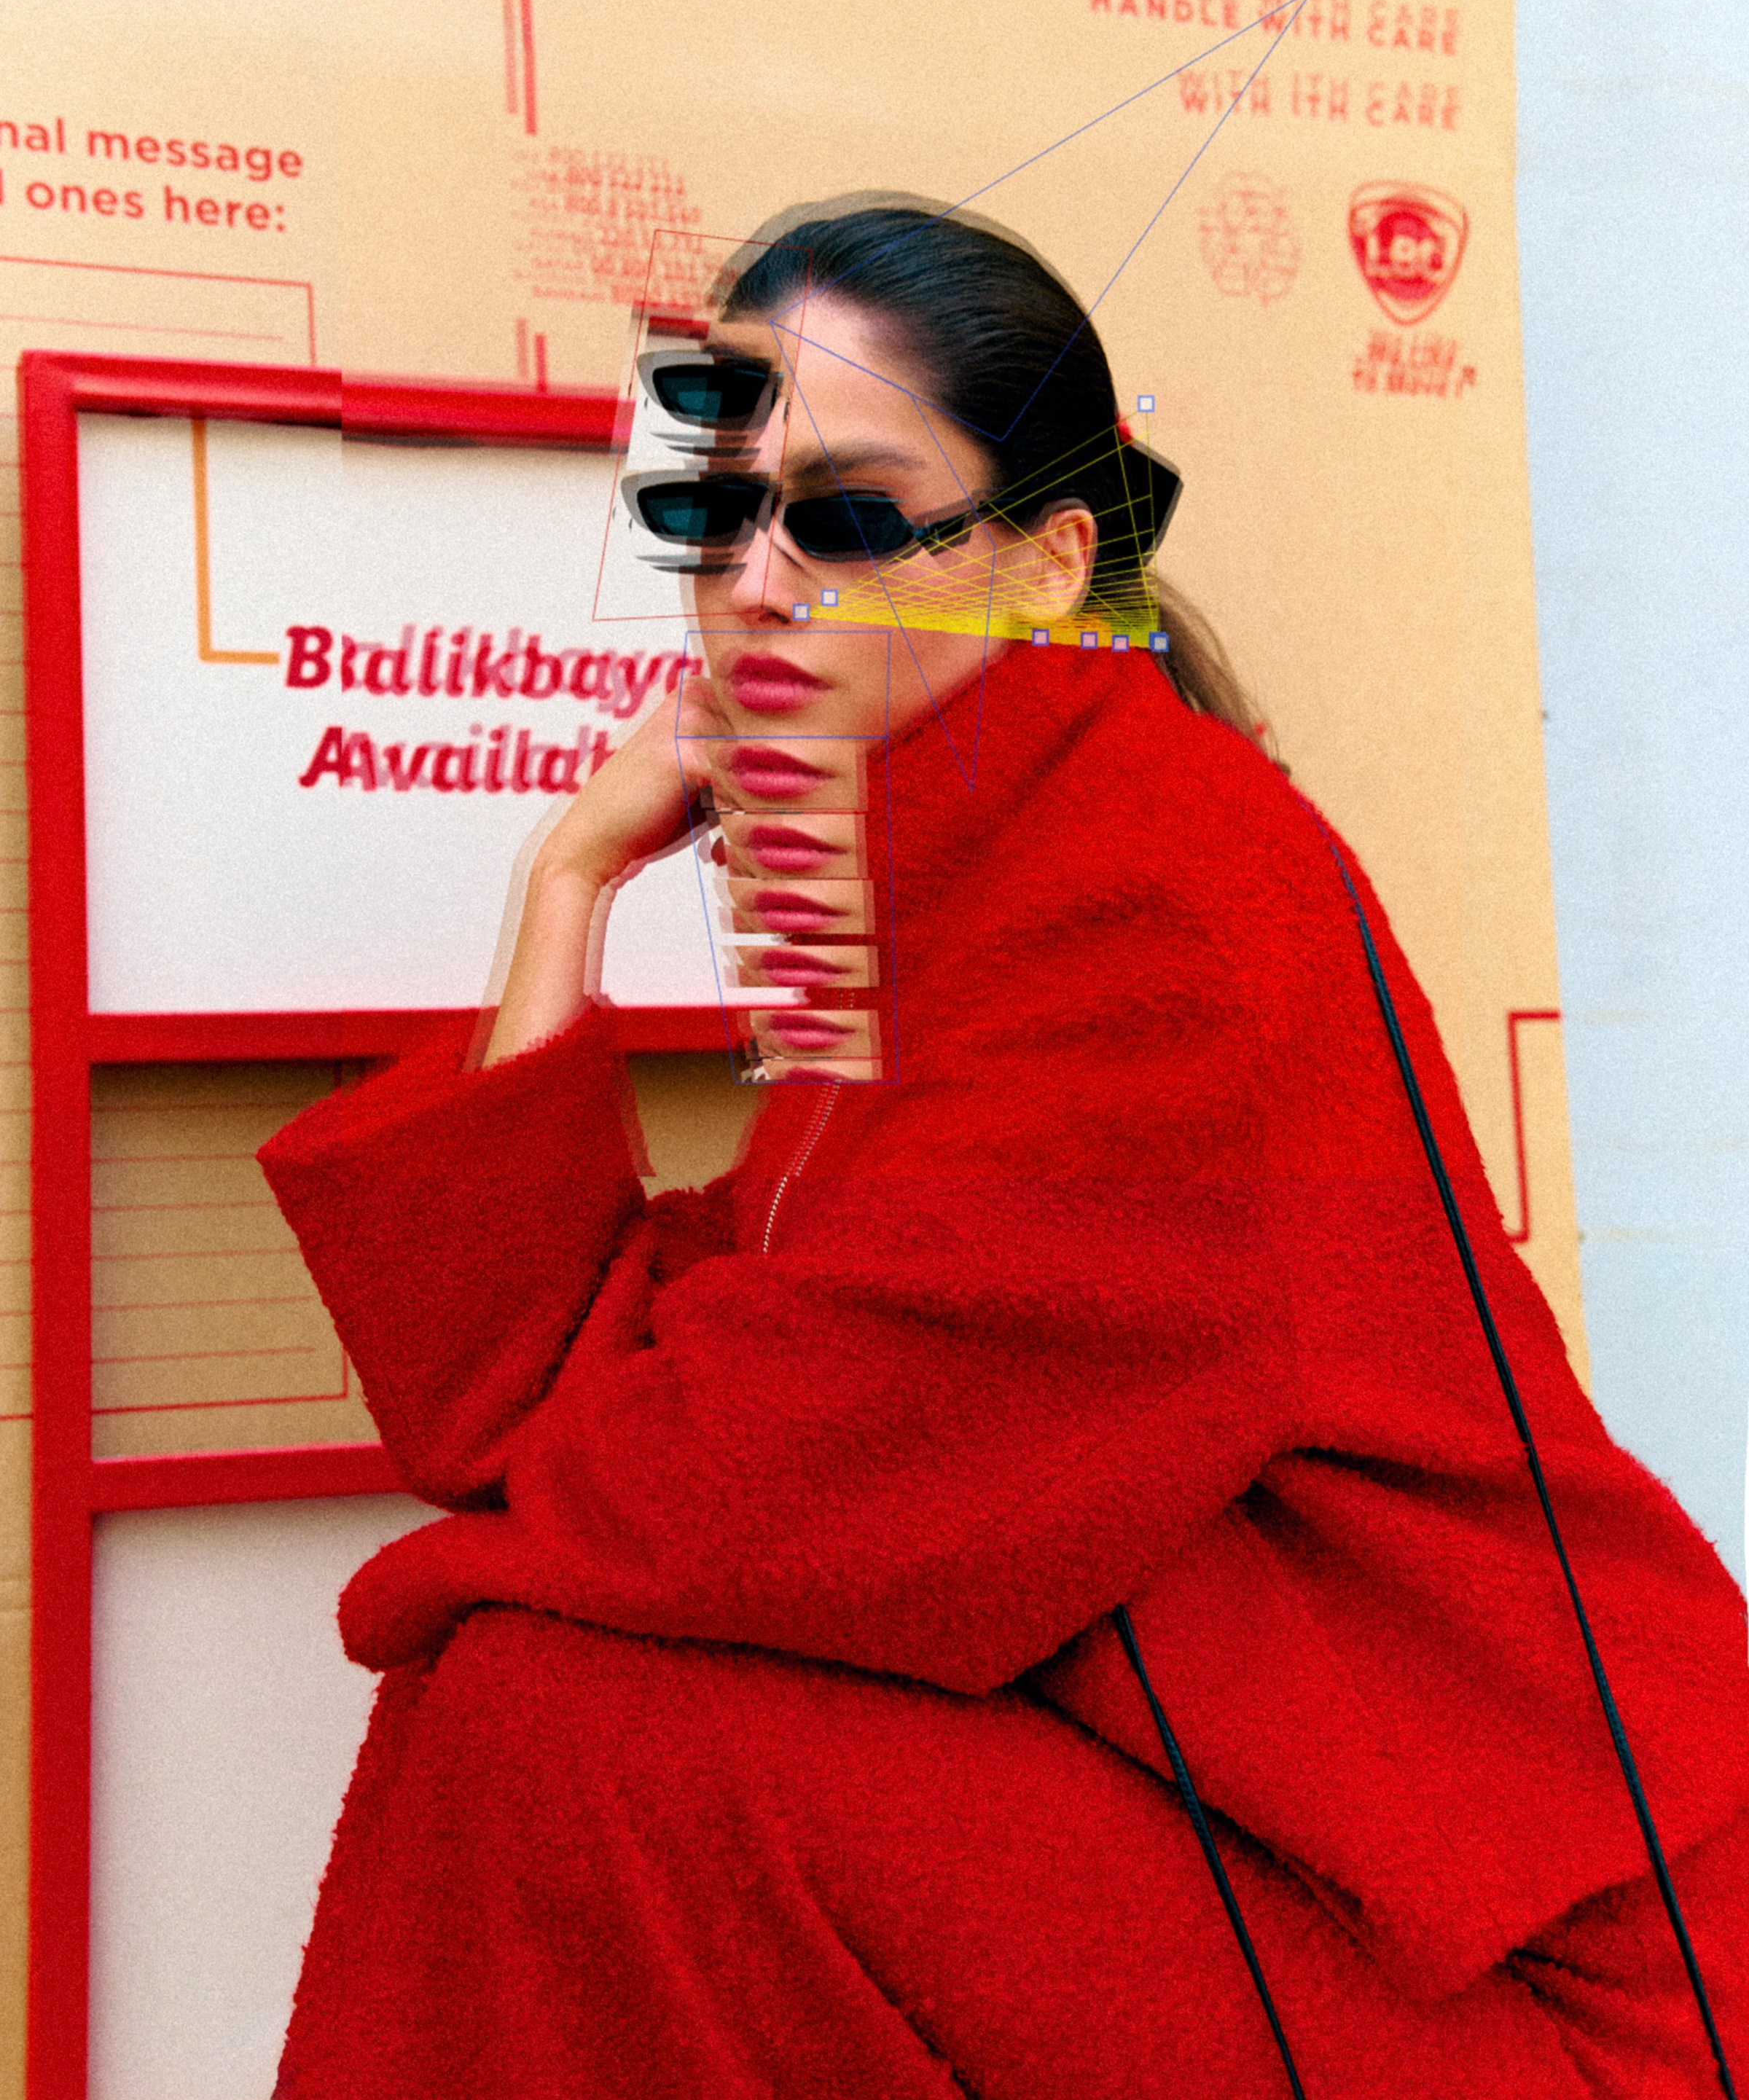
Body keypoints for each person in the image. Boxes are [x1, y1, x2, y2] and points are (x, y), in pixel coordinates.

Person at [261, 201, 1749, 2099]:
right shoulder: (937, 895)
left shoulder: (1168, 903)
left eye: (852, 513)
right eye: (720, 513)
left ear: (1053, 566)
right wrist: (562, 887)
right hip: (1228, 1829)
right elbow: (518, 1407)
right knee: (559, 1719)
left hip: (1530, 1975)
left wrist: (469, 1580)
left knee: (561, 1728)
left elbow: (704, 1502)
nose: (761, 579)